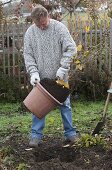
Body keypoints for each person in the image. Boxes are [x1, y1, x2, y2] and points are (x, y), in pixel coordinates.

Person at [23, 4, 77, 147]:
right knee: (37, 107)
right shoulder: (30, 33)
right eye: (38, 25)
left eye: (43, 23)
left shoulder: (59, 28)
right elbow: (28, 54)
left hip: (60, 77)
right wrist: (33, 72)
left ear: (48, 16)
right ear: (34, 22)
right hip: (41, 80)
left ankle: (70, 133)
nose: (41, 27)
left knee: (65, 105)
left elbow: (71, 48)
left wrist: (63, 67)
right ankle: (36, 136)